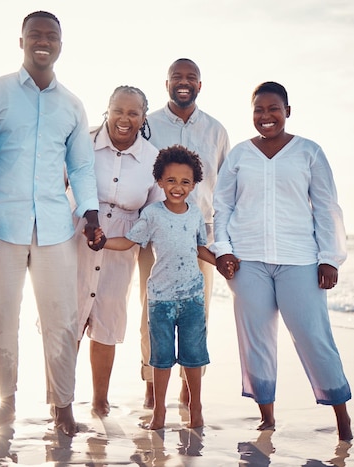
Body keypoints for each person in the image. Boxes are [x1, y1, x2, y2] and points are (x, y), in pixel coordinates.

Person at [0, 10, 103, 437]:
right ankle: (5, 403)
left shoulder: (73, 105)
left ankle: (62, 406)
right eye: (35, 34)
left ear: (61, 44)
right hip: (1, 226)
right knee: (1, 315)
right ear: (21, 40)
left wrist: (91, 214)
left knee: (61, 318)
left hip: (56, 228)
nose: (43, 41)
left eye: (51, 36)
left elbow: (81, 168)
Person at [212, 81, 353, 441]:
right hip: (248, 261)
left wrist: (330, 257)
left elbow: (326, 206)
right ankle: (267, 417)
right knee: (256, 339)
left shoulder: (310, 152)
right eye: (259, 110)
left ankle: (342, 418)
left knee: (313, 335)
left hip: (300, 260)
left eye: (274, 109)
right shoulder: (240, 155)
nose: (266, 116)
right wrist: (223, 249)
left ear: (287, 111)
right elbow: (222, 206)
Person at [88, 145, 222, 430]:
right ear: (159, 181)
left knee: (193, 356)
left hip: (192, 297)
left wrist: (222, 263)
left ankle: (195, 408)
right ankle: (159, 412)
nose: (177, 187)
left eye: (185, 182)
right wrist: (103, 242)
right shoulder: (152, 215)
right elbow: (128, 241)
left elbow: (200, 248)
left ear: (194, 184)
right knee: (160, 359)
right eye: (171, 180)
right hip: (159, 299)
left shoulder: (196, 214)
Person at [138, 58, 230, 408]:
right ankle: (151, 380)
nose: (184, 82)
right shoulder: (149, 125)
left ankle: (189, 388)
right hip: (156, 230)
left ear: (200, 85)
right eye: (177, 76)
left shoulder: (216, 130)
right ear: (166, 83)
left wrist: (222, 242)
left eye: (191, 77)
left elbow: (224, 190)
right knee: (152, 308)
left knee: (198, 311)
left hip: (199, 232)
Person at [73, 85, 163, 416]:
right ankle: (62, 399)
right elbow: (62, 180)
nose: (124, 119)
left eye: (133, 113)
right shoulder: (83, 141)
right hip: (79, 232)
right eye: (118, 111)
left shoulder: (153, 158)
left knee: (107, 320)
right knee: (71, 316)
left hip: (123, 241)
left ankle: (100, 400)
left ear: (143, 117)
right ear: (107, 110)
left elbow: (154, 210)